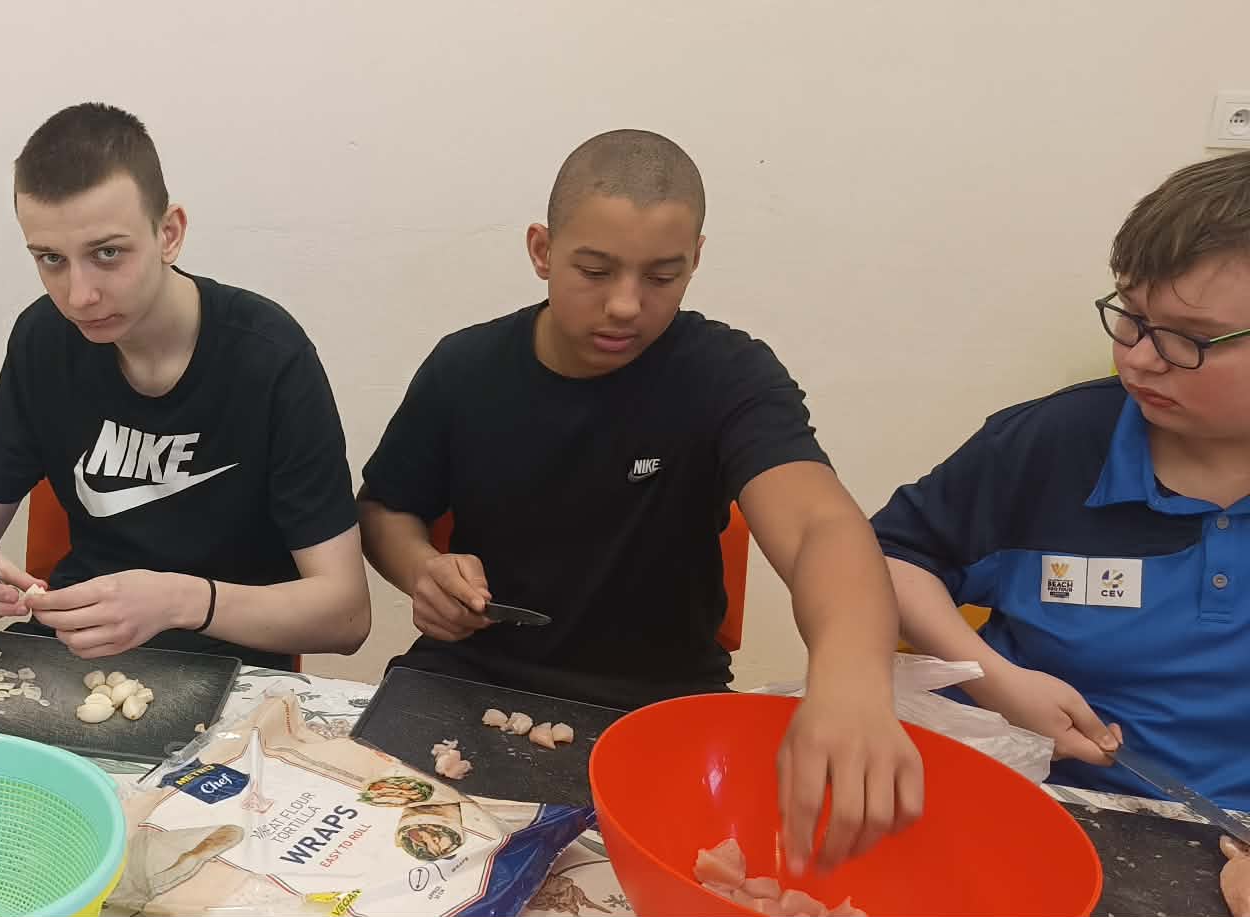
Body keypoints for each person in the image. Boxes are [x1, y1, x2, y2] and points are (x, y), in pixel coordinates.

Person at [356, 129, 922, 872]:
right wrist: (421, 568)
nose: (626, 305)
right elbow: (384, 509)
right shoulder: (465, 367)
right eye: (595, 270)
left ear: (696, 259)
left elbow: (819, 522)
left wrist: (851, 682)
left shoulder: (727, 374)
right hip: (467, 681)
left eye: (663, 275)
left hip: (660, 707)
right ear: (542, 250)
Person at [872, 151, 1250, 810]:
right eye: (1132, 315)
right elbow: (886, 556)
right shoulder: (1053, 443)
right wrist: (995, 679)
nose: (1138, 358)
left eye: (1189, 338)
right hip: (1027, 800)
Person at [0, 102, 370, 670]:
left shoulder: (269, 357)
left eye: (107, 253)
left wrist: (179, 602)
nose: (79, 296)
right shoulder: (42, 339)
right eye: (51, 259)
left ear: (169, 233)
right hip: (72, 655)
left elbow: (346, 615)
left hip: (229, 667)